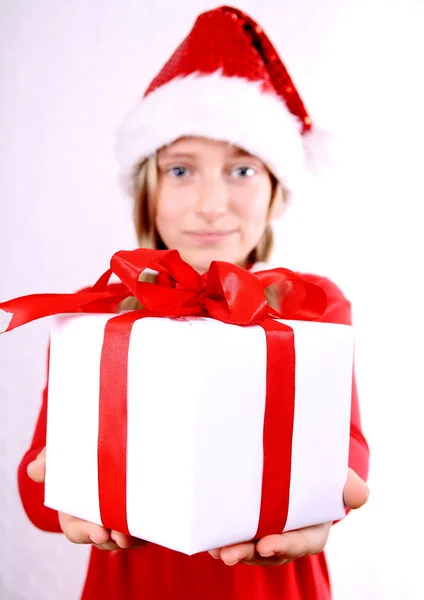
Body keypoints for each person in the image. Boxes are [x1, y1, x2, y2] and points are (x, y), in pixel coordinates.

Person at [17, 5, 370, 600]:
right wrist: (70, 481)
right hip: (136, 582)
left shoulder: (308, 304)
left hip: (272, 586)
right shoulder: (103, 313)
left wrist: (330, 488)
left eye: (241, 169)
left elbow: (348, 453)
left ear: (277, 193)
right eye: (181, 169)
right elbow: (38, 491)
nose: (211, 204)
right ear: (148, 193)